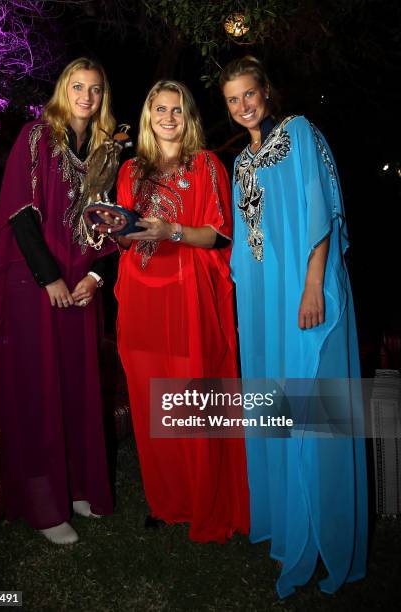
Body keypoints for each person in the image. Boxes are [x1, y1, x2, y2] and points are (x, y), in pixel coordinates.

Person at [220, 56, 367, 596]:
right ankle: (288, 524)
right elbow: (242, 239)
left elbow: (320, 209)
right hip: (263, 297)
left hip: (305, 285)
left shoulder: (299, 131)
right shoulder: (241, 164)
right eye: (232, 100)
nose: (243, 106)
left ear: (266, 91)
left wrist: (312, 284)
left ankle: (329, 535)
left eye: (249, 94)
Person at [0, 58, 118, 545]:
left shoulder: (105, 152)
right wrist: (49, 279)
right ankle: (45, 506)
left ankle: (79, 486)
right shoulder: (37, 136)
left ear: (103, 98)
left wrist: (97, 277)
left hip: (80, 285)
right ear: (64, 90)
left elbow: (108, 226)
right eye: (78, 86)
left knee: (78, 385)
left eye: (96, 89)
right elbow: (20, 211)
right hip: (37, 281)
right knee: (40, 388)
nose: (86, 96)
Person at [113, 80, 250, 543]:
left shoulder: (207, 164)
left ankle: (204, 499)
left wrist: (172, 230)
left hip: (188, 293)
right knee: (152, 397)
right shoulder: (131, 170)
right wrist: (111, 231)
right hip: (141, 295)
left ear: (188, 116)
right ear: (148, 116)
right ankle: (166, 502)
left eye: (177, 109)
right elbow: (129, 232)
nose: (168, 117)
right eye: (159, 109)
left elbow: (219, 234)